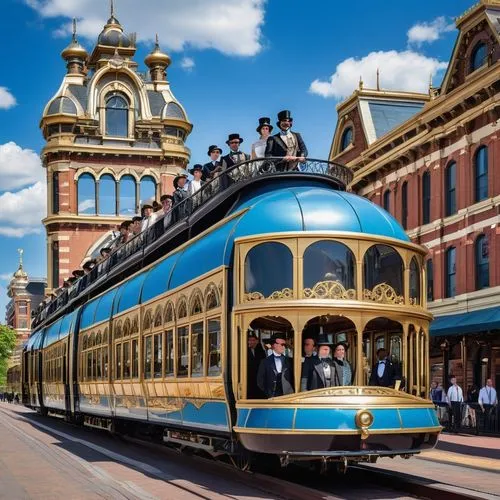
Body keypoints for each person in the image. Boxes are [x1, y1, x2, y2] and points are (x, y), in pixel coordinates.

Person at [247, 332, 266, 399]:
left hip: (260, 378)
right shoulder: (244, 351)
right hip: (249, 379)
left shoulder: (261, 350)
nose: (251, 342)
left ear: (257, 341)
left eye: (253, 340)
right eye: (249, 340)